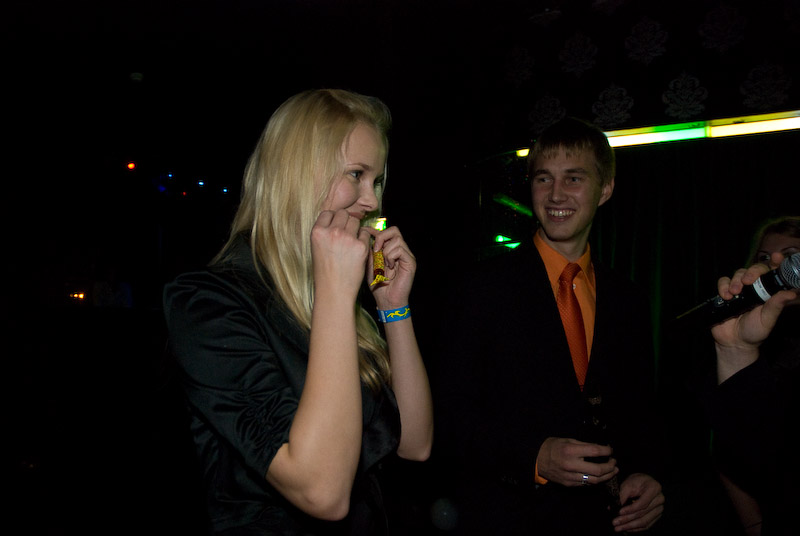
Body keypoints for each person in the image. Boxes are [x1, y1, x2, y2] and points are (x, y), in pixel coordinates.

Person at [162, 89, 433, 535]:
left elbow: (414, 443)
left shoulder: (329, 297)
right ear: (298, 174)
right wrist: (335, 293)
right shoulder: (208, 303)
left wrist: (393, 307)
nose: (371, 201)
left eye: (377, 181)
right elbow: (322, 492)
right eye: (356, 174)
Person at [434, 117, 665, 535]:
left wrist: (646, 474)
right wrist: (534, 456)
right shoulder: (480, 288)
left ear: (605, 189)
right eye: (544, 179)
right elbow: (447, 414)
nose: (556, 194)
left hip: (605, 522)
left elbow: (640, 412)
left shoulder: (629, 298)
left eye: (573, 178)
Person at [705, 216, 800, 536]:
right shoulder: (756, 336)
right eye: (764, 257)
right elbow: (738, 454)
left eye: (791, 255)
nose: (776, 263)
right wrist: (737, 351)